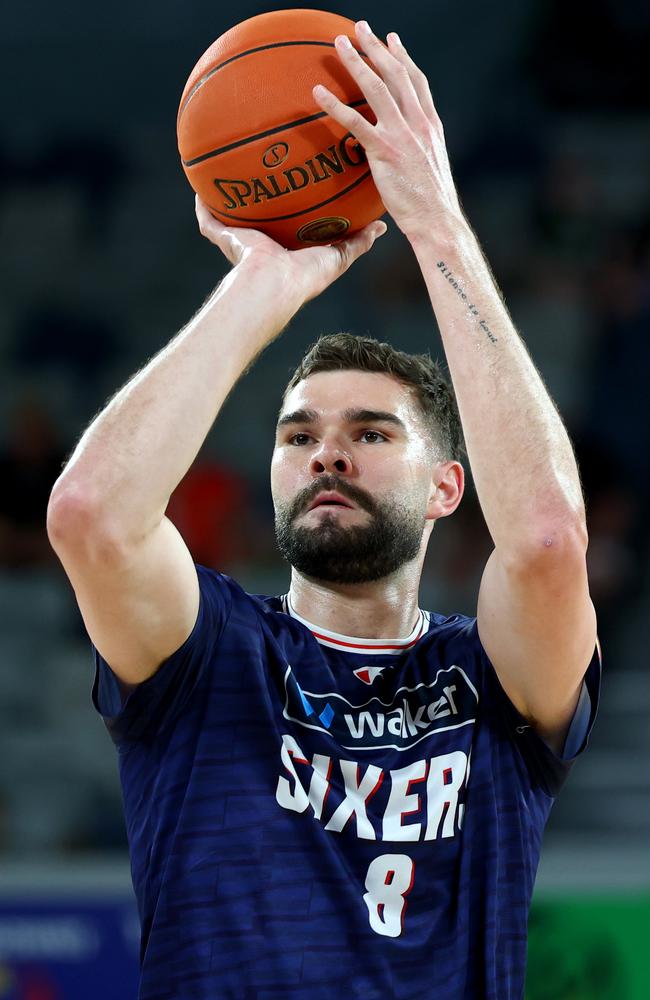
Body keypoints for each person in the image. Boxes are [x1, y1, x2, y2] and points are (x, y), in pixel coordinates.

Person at [47, 21, 600, 1000]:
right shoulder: (208, 655)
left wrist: (434, 225)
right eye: (296, 436)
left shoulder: (492, 679)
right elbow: (91, 513)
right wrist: (262, 285)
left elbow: (549, 540)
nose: (325, 451)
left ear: (444, 488)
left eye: (370, 434)